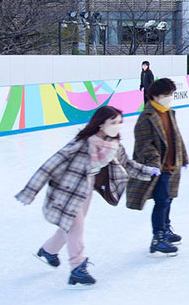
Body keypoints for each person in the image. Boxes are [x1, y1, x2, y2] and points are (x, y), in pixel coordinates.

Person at [19, 106, 159, 287]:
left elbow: (128, 165)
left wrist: (150, 171)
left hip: (85, 190)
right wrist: (30, 191)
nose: (118, 126)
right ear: (101, 124)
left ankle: (48, 250)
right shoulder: (83, 143)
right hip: (66, 191)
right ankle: (77, 268)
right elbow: (50, 165)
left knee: (69, 225)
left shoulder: (114, 145)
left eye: (120, 122)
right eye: (113, 122)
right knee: (76, 227)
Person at [127, 77, 188, 256]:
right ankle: (158, 237)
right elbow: (144, 144)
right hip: (158, 167)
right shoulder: (145, 117)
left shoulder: (168, 112)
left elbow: (177, 136)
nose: (169, 98)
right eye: (166, 95)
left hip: (171, 164)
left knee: (168, 199)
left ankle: (166, 229)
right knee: (161, 201)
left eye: (171, 94)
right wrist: (155, 162)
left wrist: (183, 157)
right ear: (155, 96)